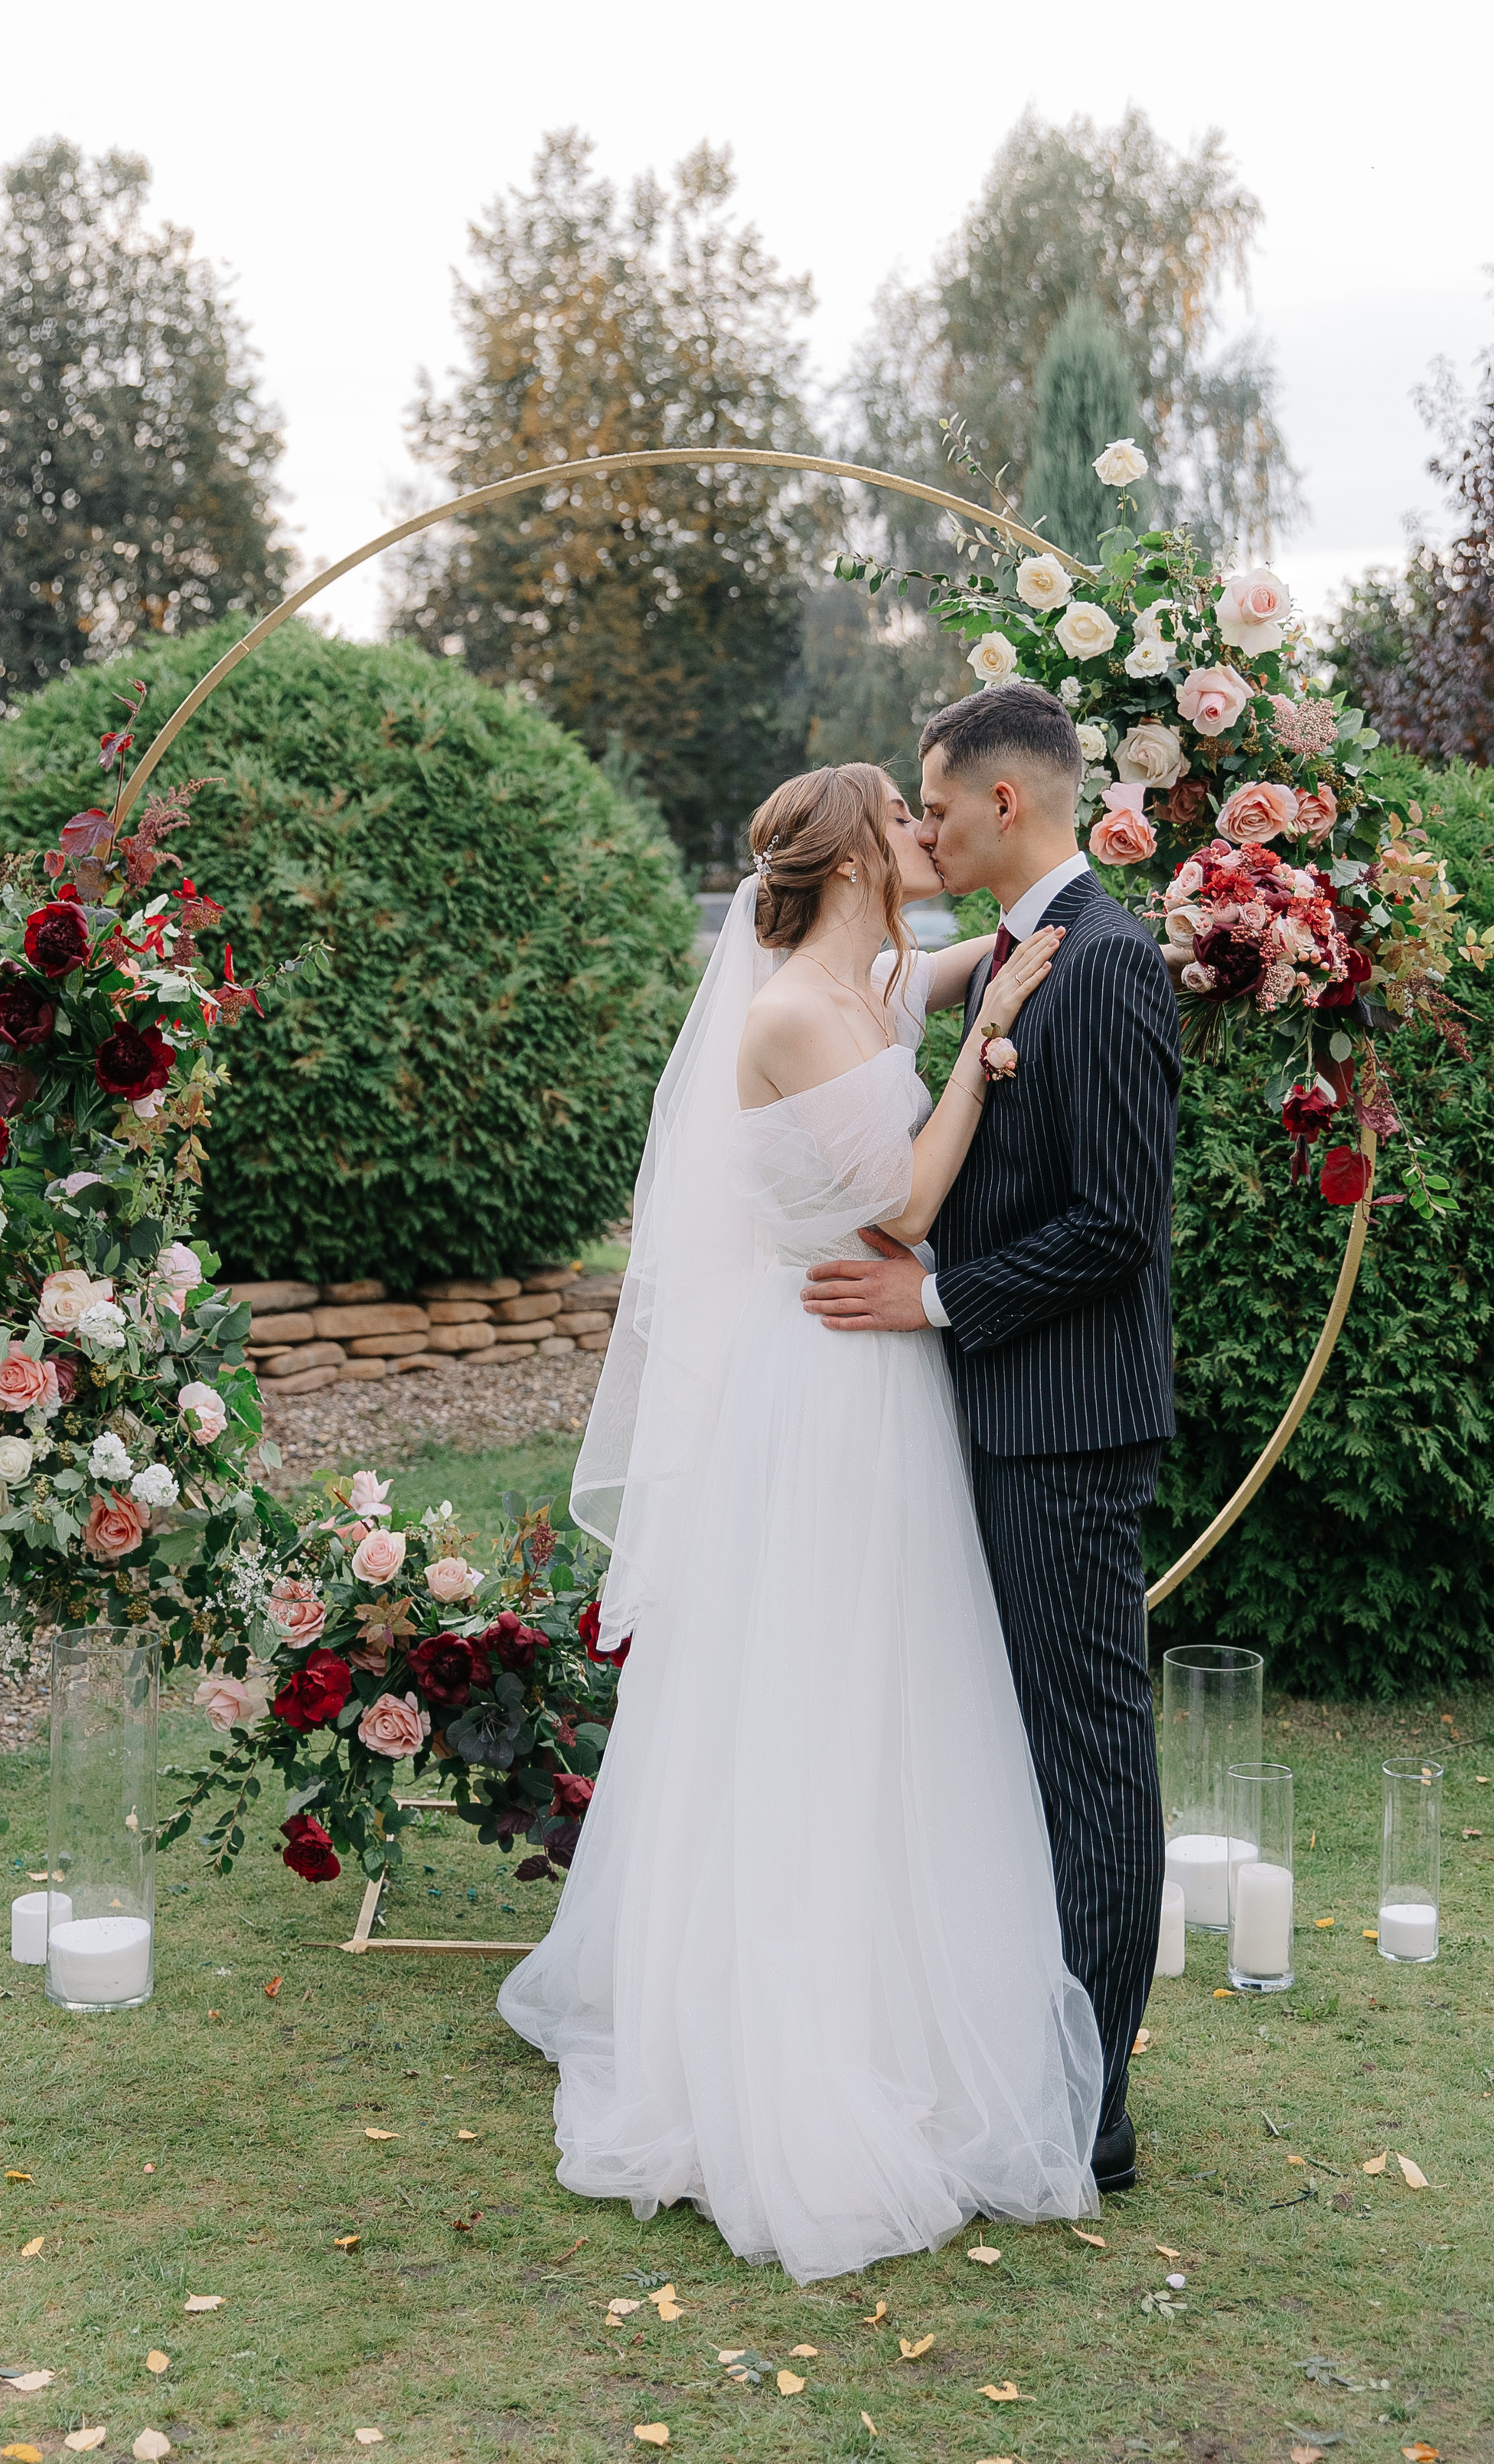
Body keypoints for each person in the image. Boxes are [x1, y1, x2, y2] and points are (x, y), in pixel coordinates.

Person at [497, 759, 1105, 2286]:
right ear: (847, 857)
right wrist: (986, 1048)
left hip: (879, 1381)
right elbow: (898, 1204)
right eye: (902, 820)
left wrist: (1030, 943)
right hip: (824, 1384)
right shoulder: (783, 1015)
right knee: (808, 1688)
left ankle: (883, 1982)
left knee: (889, 1684)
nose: (925, 831)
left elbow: (931, 973)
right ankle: (775, 2022)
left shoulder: (868, 981)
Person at [799, 687, 1180, 2198]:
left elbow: (1115, 1227)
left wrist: (934, 1294)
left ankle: (1087, 2105)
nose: (925, 826)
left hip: (1063, 1433)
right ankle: (1029, 2063)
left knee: (1088, 1757)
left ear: (1003, 807)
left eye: (937, 807)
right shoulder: (1020, 961)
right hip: (998, 1419)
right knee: (1023, 1755)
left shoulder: (1103, 969)